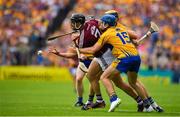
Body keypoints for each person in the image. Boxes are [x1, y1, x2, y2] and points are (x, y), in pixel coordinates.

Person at [78, 14, 163, 112]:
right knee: (133, 82)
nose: (99, 24)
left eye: (102, 23)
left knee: (104, 77)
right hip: (136, 57)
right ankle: (147, 106)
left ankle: (114, 99)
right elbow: (130, 39)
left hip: (124, 58)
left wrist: (79, 50)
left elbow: (93, 49)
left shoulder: (106, 34)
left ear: (106, 24)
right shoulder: (122, 30)